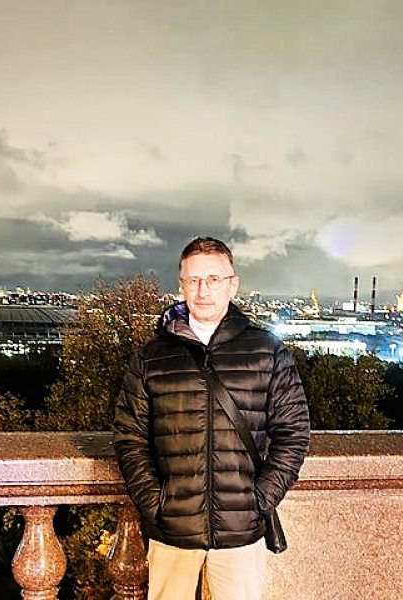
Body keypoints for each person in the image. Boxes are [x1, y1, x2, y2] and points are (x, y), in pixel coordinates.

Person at [113, 236, 310, 600]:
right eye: (193, 280)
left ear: (233, 285)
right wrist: (154, 503)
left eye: (213, 279)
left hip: (240, 531)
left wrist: (260, 500)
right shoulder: (152, 357)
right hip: (172, 530)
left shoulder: (267, 351)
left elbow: (294, 433)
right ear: (181, 285)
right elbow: (129, 437)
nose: (203, 290)